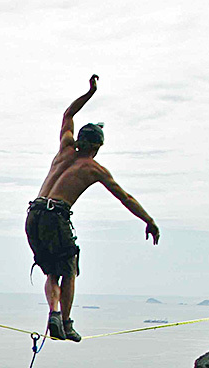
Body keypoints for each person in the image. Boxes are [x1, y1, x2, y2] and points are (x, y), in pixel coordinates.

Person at [25, 75, 158, 342]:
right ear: (95, 147)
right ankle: (65, 322)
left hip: (33, 214)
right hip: (56, 216)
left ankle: (53, 312)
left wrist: (90, 93)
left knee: (51, 270)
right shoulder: (94, 169)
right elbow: (126, 198)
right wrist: (149, 220)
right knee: (69, 269)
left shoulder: (64, 148)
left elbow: (68, 113)